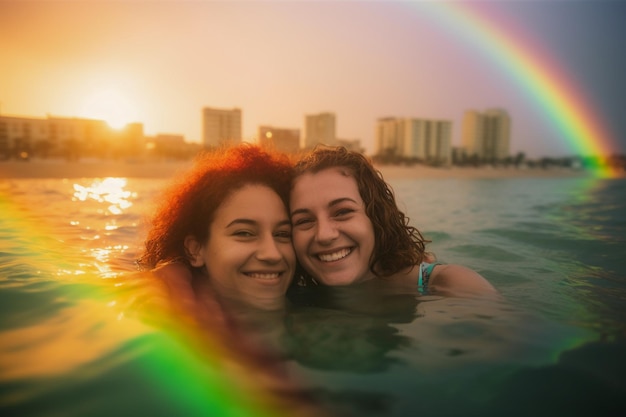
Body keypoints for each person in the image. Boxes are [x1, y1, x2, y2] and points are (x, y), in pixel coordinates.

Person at [289, 145, 498, 298]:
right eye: (304, 220)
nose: (324, 235)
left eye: (342, 212)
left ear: (376, 216)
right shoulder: (300, 296)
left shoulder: (451, 286)